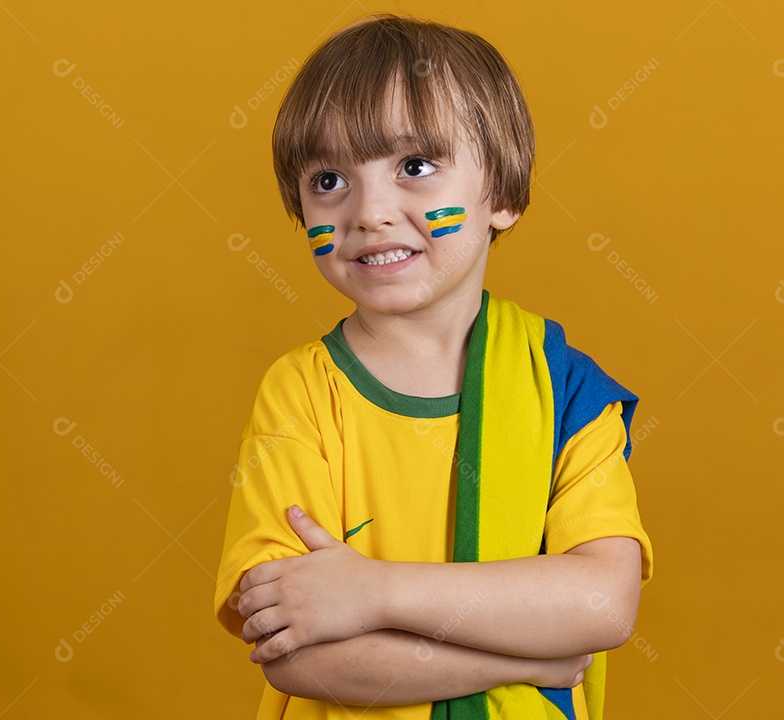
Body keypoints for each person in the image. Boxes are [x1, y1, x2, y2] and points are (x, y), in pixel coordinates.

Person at [214, 14, 653, 720]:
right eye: (329, 179)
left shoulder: (565, 386)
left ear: (501, 194)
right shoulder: (298, 396)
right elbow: (297, 655)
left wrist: (372, 592)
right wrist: (533, 657)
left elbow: (602, 602)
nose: (369, 212)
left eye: (415, 167)